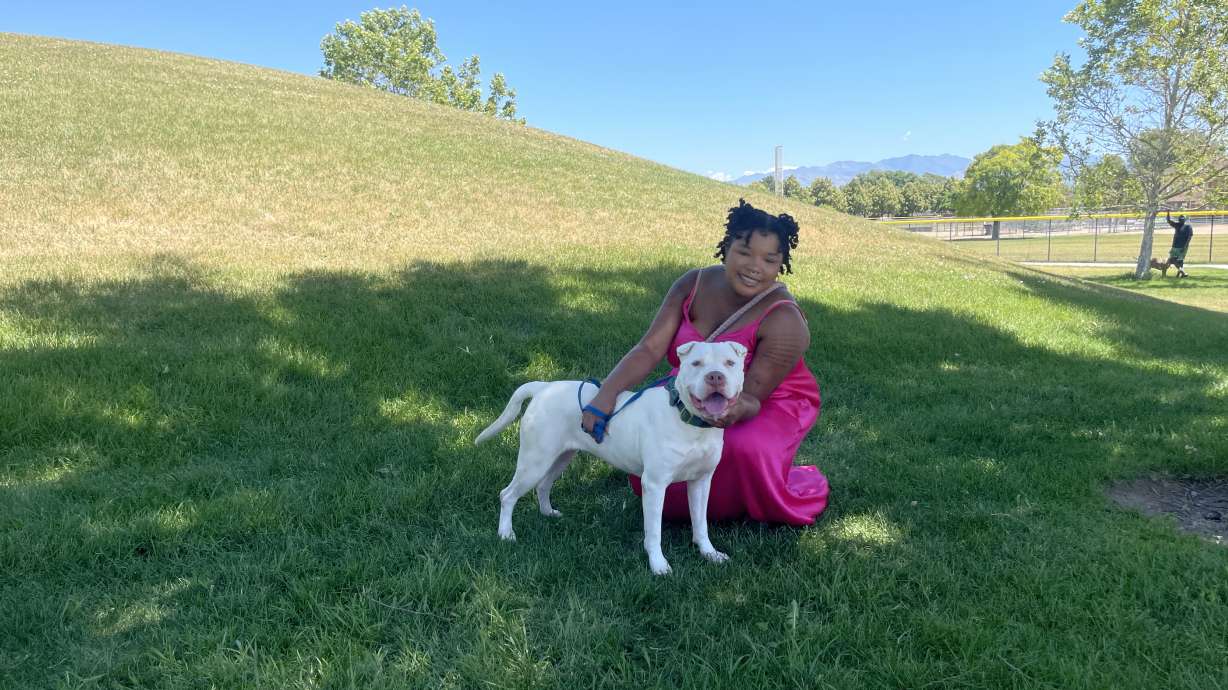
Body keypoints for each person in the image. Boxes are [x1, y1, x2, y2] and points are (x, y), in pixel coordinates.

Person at [581, 199, 828, 526]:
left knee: (741, 447)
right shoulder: (692, 284)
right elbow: (649, 348)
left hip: (771, 398)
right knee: (658, 440)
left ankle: (750, 497)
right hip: (699, 381)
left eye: (769, 260)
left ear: (781, 265)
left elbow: (752, 397)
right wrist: (605, 395)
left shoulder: (786, 320)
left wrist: (724, 412)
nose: (755, 266)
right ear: (726, 248)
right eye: (744, 252)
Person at [1153, 211, 1194, 278]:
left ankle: (1180, 274)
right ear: (1179, 220)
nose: (1181, 220)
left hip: (1182, 247)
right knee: (1172, 260)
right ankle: (1182, 273)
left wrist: (1185, 246)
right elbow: (1169, 221)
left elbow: (1189, 237)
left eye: (1182, 219)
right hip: (1175, 246)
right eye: (1180, 219)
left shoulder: (1188, 227)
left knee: (1179, 261)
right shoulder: (1177, 225)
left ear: (1184, 220)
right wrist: (1168, 212)